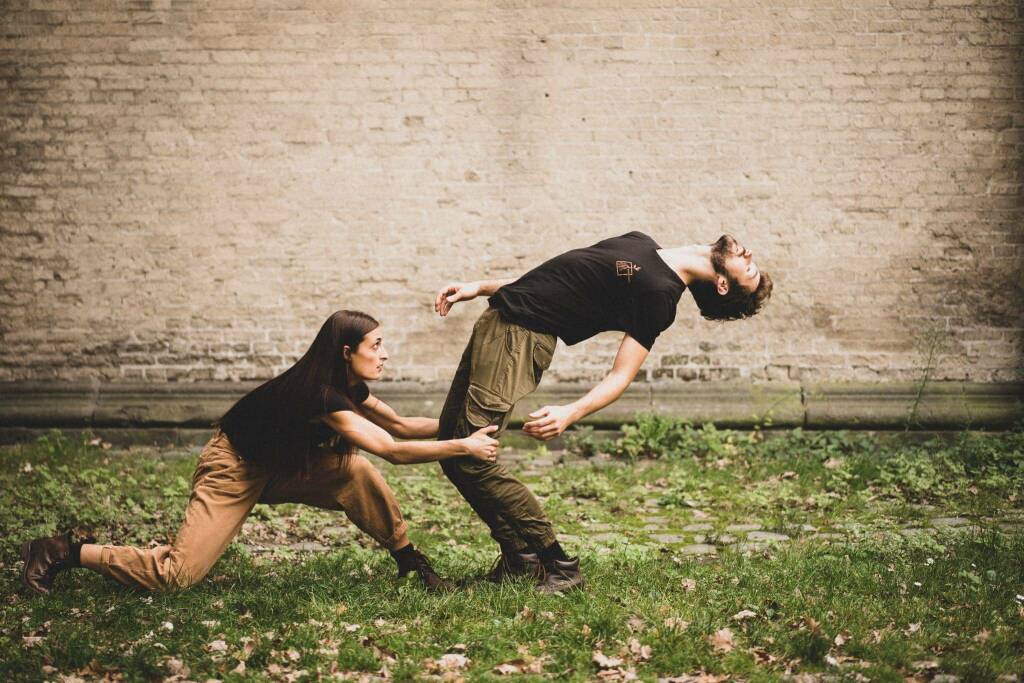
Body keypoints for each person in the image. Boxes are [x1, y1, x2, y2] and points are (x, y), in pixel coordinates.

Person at [21, 310, 500, 595]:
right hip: (233, 470)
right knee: (177, 577)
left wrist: (469, 421)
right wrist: (465, 446)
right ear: (347, 351)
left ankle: (408, 560)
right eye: (376, 346)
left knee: (353, 470)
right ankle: (64, 550)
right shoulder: (321, 396)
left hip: (284, 469)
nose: (385, 353)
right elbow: (393, 449)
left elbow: (398, 424)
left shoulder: (346, 388)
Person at [434, 232, 773, 592]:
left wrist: (571, 412)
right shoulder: (645, 244)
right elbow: (553, 279)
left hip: (520, 339)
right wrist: (481, 287)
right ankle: (519, 558)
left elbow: (621, 374)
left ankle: (558, 562)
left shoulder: (659, 294)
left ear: (722, 284)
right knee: (449, 442)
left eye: (748, 268)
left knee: (471, 455)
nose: (748, 253)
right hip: (499, 322)